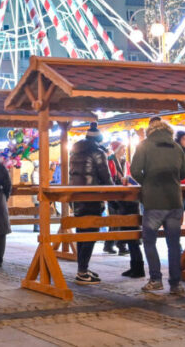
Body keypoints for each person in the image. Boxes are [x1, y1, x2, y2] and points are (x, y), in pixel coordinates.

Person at [131, 116, 185, 295]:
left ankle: (156, 279)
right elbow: (184, 173)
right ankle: (176, 283)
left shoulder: (144, 145)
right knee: (173, 243)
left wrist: (146, 182)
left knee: (149, 241)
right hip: (174, 201)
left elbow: (134, 171)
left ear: (150, 130)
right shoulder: (177, 147)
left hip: (154, 201)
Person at [70, 121, 113, 284]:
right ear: (99, 139)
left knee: (82, 233)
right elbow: (106, 177)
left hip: (77, 198)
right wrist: (115, 195)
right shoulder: (97, 152)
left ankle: (83, 268)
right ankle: (82, 271)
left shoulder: (75, 152)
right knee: (91, 234)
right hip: (93, 198)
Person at [108, 140, 145, 278]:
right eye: (122, 148)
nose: (124, 151)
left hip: (129, 198)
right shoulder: (111, 161)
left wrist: (128, 180)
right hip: (124, 198)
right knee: (128, 232)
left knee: (131, 232)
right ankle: (135, 266)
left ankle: (138, 267)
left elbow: (133, 177)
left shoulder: (127, 163)